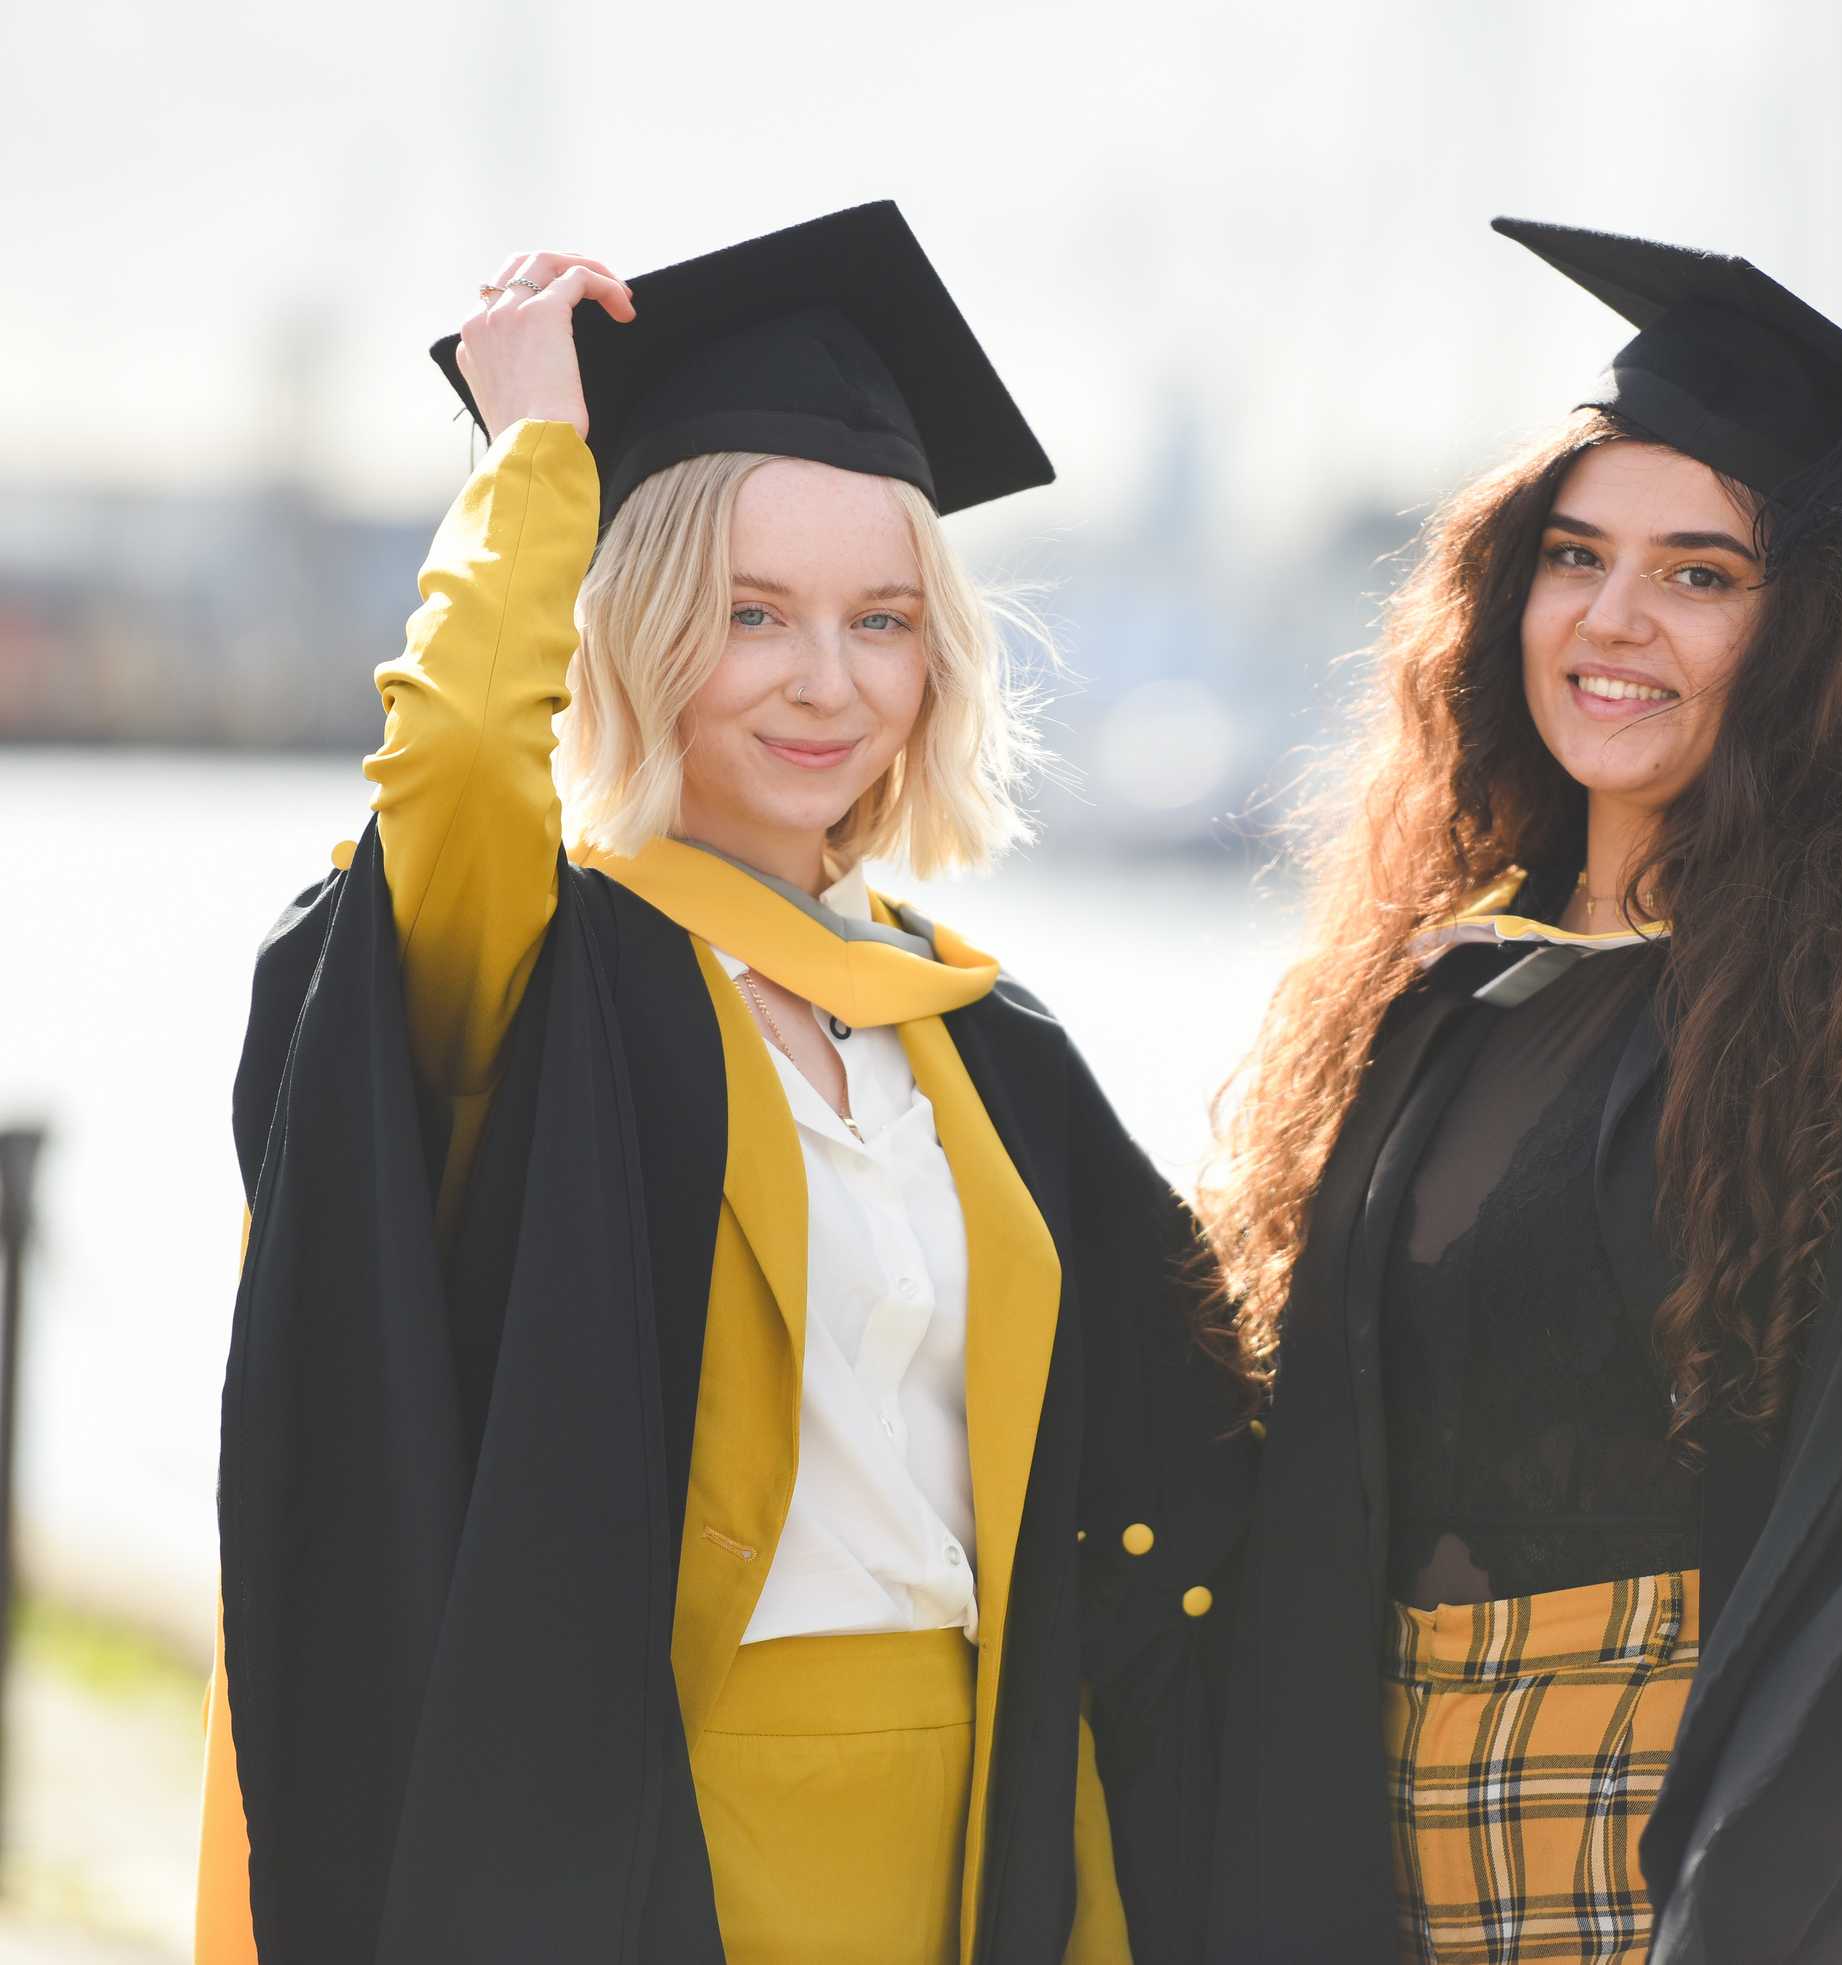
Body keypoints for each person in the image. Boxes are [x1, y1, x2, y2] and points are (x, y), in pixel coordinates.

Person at [198, 202, 1245, 1964]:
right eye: (750, 611)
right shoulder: (551, 972)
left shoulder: (982, 1047)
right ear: (640, 621)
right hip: (652, 1837)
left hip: (981, 1830)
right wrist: (538, 447)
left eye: (881, 619)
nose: (826, 683)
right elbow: (455, 756)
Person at [1197, 219, 1842, 1964]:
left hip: (1731, 1864)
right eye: (1574, 556)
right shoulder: (1439, 982)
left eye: (1700, 574)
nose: (1614, 620)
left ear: (1804, 633)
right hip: (1393, 1857)